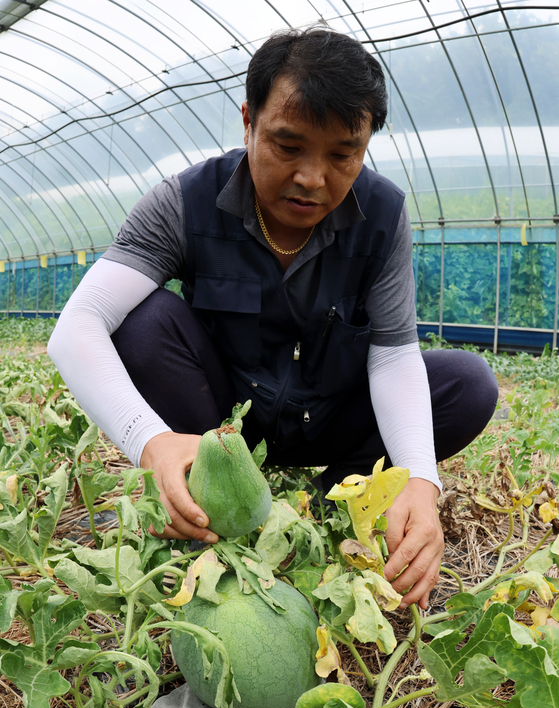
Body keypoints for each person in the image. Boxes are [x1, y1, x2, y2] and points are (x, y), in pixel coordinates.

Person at [48, 27, 498, 610]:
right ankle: (218, 502)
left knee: (466, 384)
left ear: (365, 144)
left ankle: (322, 501)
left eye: (343, 155)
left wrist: (420, 476)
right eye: (288, 146)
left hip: (328, 412)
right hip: (221, 427)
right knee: (142, 319)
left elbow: (391, 353)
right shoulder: (184, 202)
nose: (313, 178)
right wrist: (152, 442)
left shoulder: (382, 214)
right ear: (248, 121)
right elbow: (77, 326)